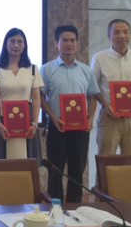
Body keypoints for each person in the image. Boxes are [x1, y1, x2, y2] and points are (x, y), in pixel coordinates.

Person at [39, 25, 100, 203]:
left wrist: (90, 119)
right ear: (56, 43)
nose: (69, 44)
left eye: (72, 40)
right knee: (55, 171)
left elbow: (92, 96)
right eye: (64, 40)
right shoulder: (47, 69)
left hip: (80, 129)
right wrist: (52, 117)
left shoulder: (85, 70)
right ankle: (54, 208)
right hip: (57, 127)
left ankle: (75, 208)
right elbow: (40, 96)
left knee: (77, 171)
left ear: (77, 43)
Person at [91, 19, 131, 155]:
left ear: (130, 34)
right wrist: (105, 105)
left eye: (125, 32)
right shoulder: (99, 58)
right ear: (109, 36)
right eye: (116, 32)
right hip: (109, 117)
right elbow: (92, 88)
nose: (122, 36)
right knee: (106, 160)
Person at [0, 28, 43, 160]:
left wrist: (35, 123)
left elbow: (36, 98)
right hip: (3, 122)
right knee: (2, 163)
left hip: (27, 122)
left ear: (25, 45)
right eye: (12, 41)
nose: (16, 45)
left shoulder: (32, 69)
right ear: (5, 44)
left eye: (20, 42)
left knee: (26, 163)